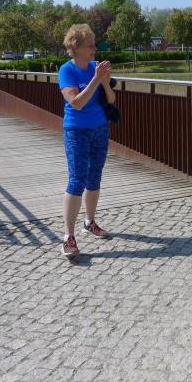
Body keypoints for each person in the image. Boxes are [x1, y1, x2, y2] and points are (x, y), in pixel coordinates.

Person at [58, 24, 116, 258]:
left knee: (94, 177)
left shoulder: (95, 67)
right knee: (77, 180)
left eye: (94, 43)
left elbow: (111, 100)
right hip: (77, 131)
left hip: (100, 128)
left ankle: (89, 222)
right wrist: (95, 79)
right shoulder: (67, 71)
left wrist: (105, 82)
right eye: (89, 45)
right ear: (76, 48)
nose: (94, 48)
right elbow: (77, 103)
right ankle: (68, 237)